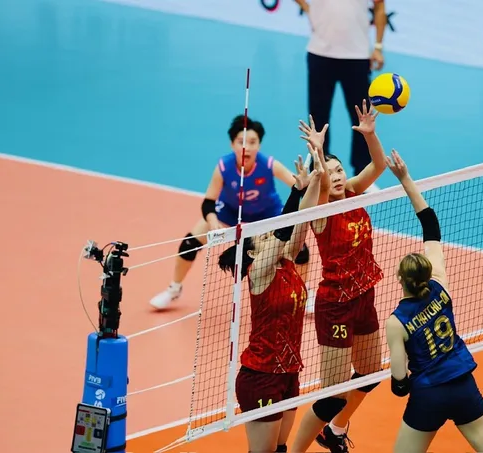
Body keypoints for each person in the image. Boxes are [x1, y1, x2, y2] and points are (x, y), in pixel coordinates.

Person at [382, 149, 483, 453]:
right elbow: (430, 224)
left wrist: (404, 383)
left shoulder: (396, 322)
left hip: (428, 395)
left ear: (399, 279)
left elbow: (399, 384)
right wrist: (405, 178)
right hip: (462, 384)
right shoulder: (440, 284)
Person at [290, 101, 387, 453]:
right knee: (333, 394)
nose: (337, 175)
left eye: (339, 169)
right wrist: (318, 155)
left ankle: (335, 429)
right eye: (329, 172)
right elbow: (317, 189)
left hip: (364, 296)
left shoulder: (354, 193)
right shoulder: (322, 212)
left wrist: (370, 134)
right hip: (336, 306)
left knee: (370, 374)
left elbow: (379, 165)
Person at [218, 145, 325, 453]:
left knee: (280, 449)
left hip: (289, 373)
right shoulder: (259, 272)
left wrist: (316, 174)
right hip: (261, 376)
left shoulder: (287, 260)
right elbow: (282, 233)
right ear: (252, 253)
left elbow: (303, 219)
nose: (270, 238)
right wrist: (294, 191)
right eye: (263, 238)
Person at [150, 114, 309, 310]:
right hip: (230, 213)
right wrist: (212, 221)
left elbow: (299, 185)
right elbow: (208, 202)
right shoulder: (223, 167)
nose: (246, 147)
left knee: (301, 251)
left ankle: (305, 292)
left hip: (268, 215)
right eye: (241, 142)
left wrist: (309, 185)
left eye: (252, 142)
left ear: (259, 145)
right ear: (232, 144)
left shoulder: (269, 165)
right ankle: (174, 288)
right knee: (189, 243)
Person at [294, 0, 387, 177]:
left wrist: (378, 47)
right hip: (320, 53)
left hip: (357, 56)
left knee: (362, 119)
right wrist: (307, 8)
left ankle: (363, 175)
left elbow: (380, 5)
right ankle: (319, 174)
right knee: (318, 120)